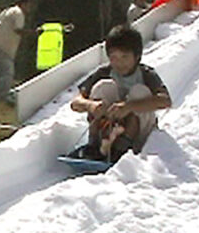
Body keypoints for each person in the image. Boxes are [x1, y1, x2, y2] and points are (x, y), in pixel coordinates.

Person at [70, 25, 172, 162]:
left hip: (138, 134)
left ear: (136, 57)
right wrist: (91, 105)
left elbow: (165, 101)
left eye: (125, 57)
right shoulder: (104, 72)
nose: (119, 63)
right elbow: (76, 102)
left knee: (139, 91)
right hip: (110, 128)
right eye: (114, 57)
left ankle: (122, 148)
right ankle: (96, 145)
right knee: (103, 86)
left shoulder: (146, 74)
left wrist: (129, 106)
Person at [0, 0, 32, 102]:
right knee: (8, 70)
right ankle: (2, 95)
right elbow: (18, 30)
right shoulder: (18, 13)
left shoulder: (8, 11)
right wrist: (33, 33)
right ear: (23, 4)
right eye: (28, 5)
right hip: (1, 45)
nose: (29, 8)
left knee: (3, 70)